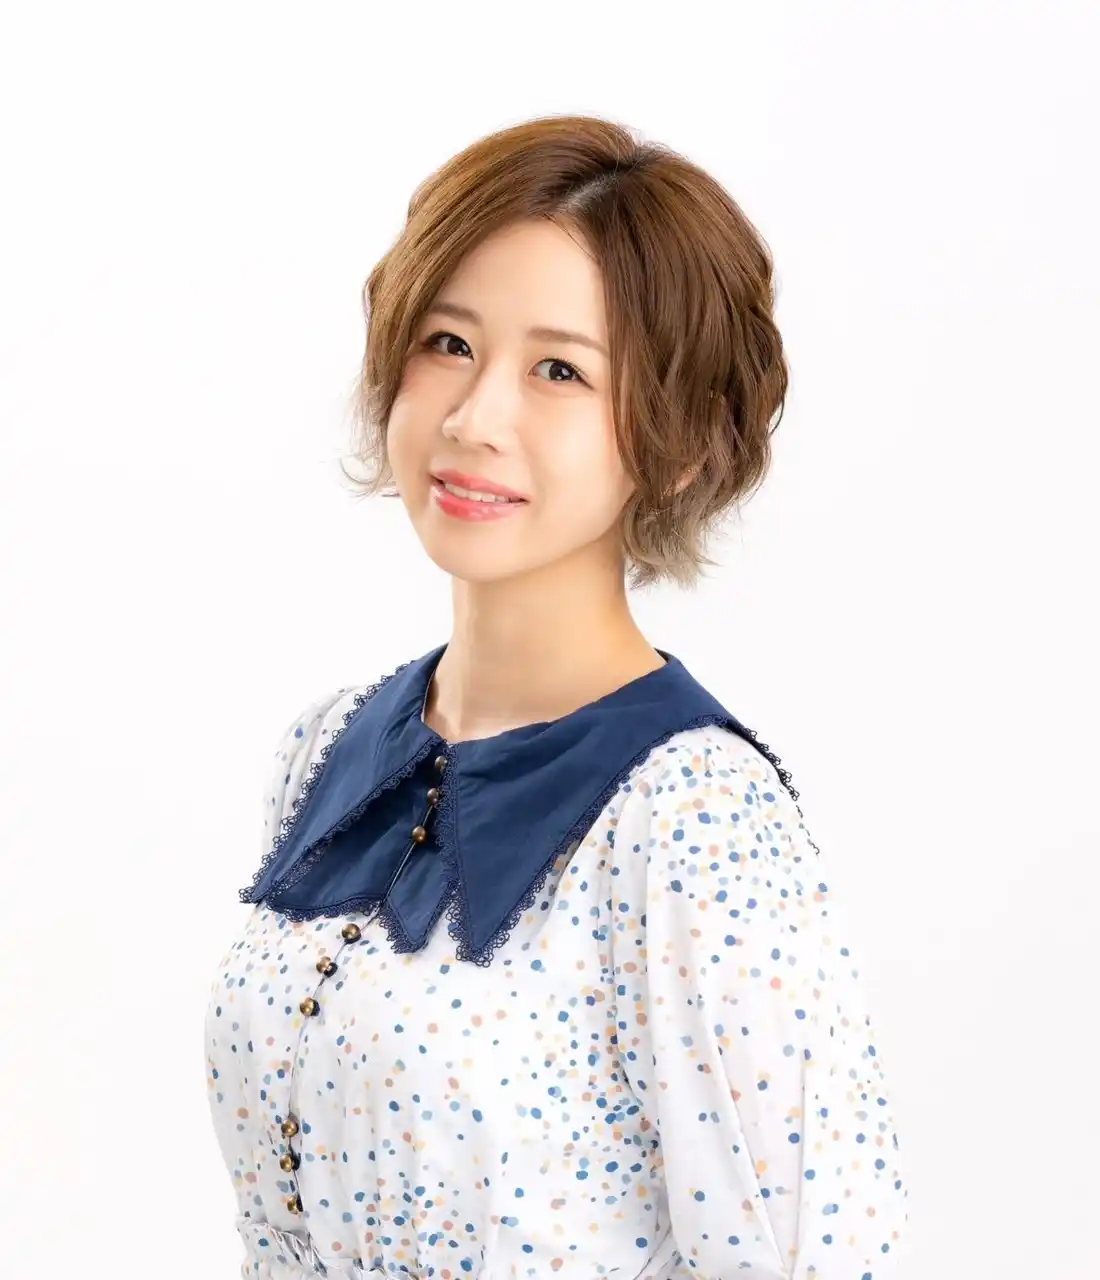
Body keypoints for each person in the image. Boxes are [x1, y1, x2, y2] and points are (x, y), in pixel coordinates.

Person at [204, 113, 907, 1280]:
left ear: (681, 440)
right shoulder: (330, 747)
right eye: (446, 342)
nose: (473, 417)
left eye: (558, 370)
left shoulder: (695, 822)